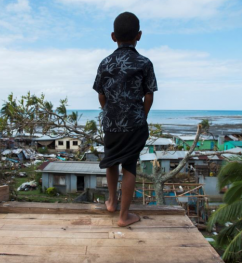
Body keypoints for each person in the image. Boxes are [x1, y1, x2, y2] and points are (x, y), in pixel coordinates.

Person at [92, 12, 158, 227]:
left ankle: (111, 202)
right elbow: (149, 94)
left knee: (111, 160)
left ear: (113, 36)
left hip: (111, 123)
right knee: (129, 165)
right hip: (135, 123)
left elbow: (101, 94)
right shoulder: (144, 63)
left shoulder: (105, 63)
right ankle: (124, 216)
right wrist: (143, 114)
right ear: (139, 35)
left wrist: (109, 111)